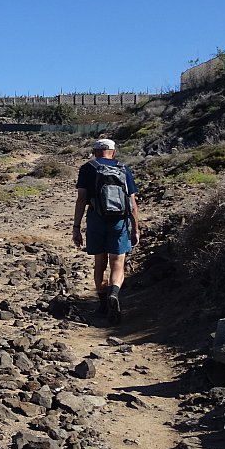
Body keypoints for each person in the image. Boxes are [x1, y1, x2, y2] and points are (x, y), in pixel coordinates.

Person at [71, 138, 139, 325]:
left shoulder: (88, 168)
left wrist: (76, 227)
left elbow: (81, 199)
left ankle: (102, 305)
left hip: (96, 220)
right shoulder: (124, 169)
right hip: (120, 221)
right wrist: (135, 228)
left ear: (95, 152)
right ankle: (114, 294)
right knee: (117, 263)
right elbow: (132, 203)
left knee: (99, 263)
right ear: (113, 152)